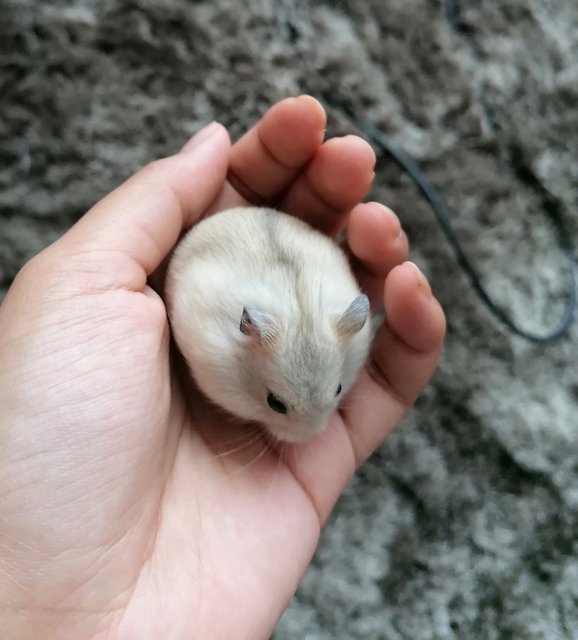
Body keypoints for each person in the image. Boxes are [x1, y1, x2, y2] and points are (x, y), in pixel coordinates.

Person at [0, 96, 445, 639]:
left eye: (334, 392)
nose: (310, 432)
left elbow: (351, 316)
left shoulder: (346, 318)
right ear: (249, 338)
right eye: (278, 404)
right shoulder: (230, 338)